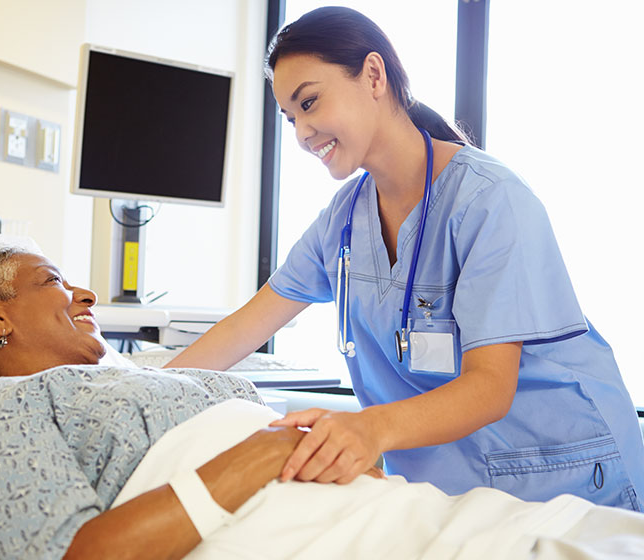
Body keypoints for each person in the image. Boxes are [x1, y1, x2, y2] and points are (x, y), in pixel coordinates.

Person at [165, 6, 644, 511]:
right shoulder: (344, 220)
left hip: (564, 476)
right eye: (290, 117)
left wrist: (367, 428)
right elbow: (247, 326)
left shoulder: (490, 200)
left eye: (309, 103)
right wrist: (150, 388)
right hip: (450, 490)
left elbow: (489, 389)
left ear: (374, 75)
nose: (302, 132)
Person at [0, 248, 644, 560]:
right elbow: (78, 557)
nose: (82, 294)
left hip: (416, 518)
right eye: (53, 280)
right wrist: (265, 452)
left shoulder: (148, 376)